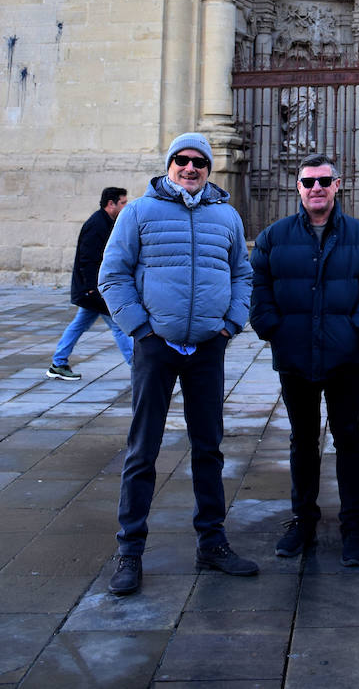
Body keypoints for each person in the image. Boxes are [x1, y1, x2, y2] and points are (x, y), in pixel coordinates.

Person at [98, 133, 257, 596]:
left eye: (199, 162)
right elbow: (112, 274)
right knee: (142, 450)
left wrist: (232, 322)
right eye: (181, 160)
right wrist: (140, 329)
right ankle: (129, 551)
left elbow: (241, 272)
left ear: (209, 169)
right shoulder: (139, 213)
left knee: (209, 447)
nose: (190, 168)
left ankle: (212, 542)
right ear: (169, 165)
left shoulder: (226, 216)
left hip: (208, 346)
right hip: (156, 345)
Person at [250, 154, 359, 568]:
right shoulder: (274, 237)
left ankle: (352, 525)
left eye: (324, 181)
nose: (316, 188)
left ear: (338, 184)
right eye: (309, 182)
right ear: (298, 187)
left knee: (349, 439)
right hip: (294, 355)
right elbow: (258, 285)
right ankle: (304, 520)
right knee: (302, 441)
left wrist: (356, 331)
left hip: (344, 356)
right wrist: (273, 328)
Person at [46, 187, 133, 379]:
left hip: (93, 290)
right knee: (119, 325)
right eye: (123, 202)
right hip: (94, 291)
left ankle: (58, 363)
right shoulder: (97, 225)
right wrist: (94, 290)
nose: (126, 206)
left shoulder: (107, 222)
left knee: (79, 325)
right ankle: (137, 366)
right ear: (111, 204)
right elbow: (88, 260)